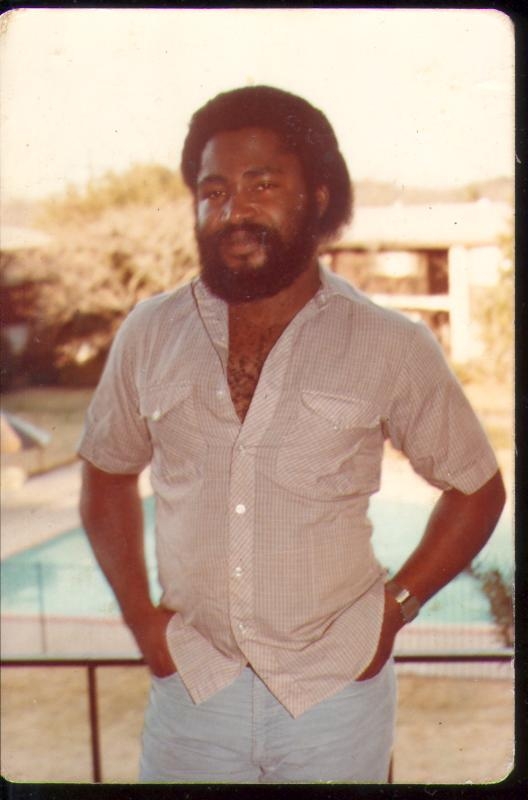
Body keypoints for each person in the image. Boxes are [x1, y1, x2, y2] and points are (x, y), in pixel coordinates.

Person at [78, 85, 506, 784]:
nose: (233, 210)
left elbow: (476, 488)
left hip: (335, 695)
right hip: (193, 688)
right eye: (213, 191)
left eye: (262, 184)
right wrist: (140, 622)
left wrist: (395, 611)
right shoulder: (149, 333)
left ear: (318, 196)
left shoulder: (389, 342)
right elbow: (105, 474)